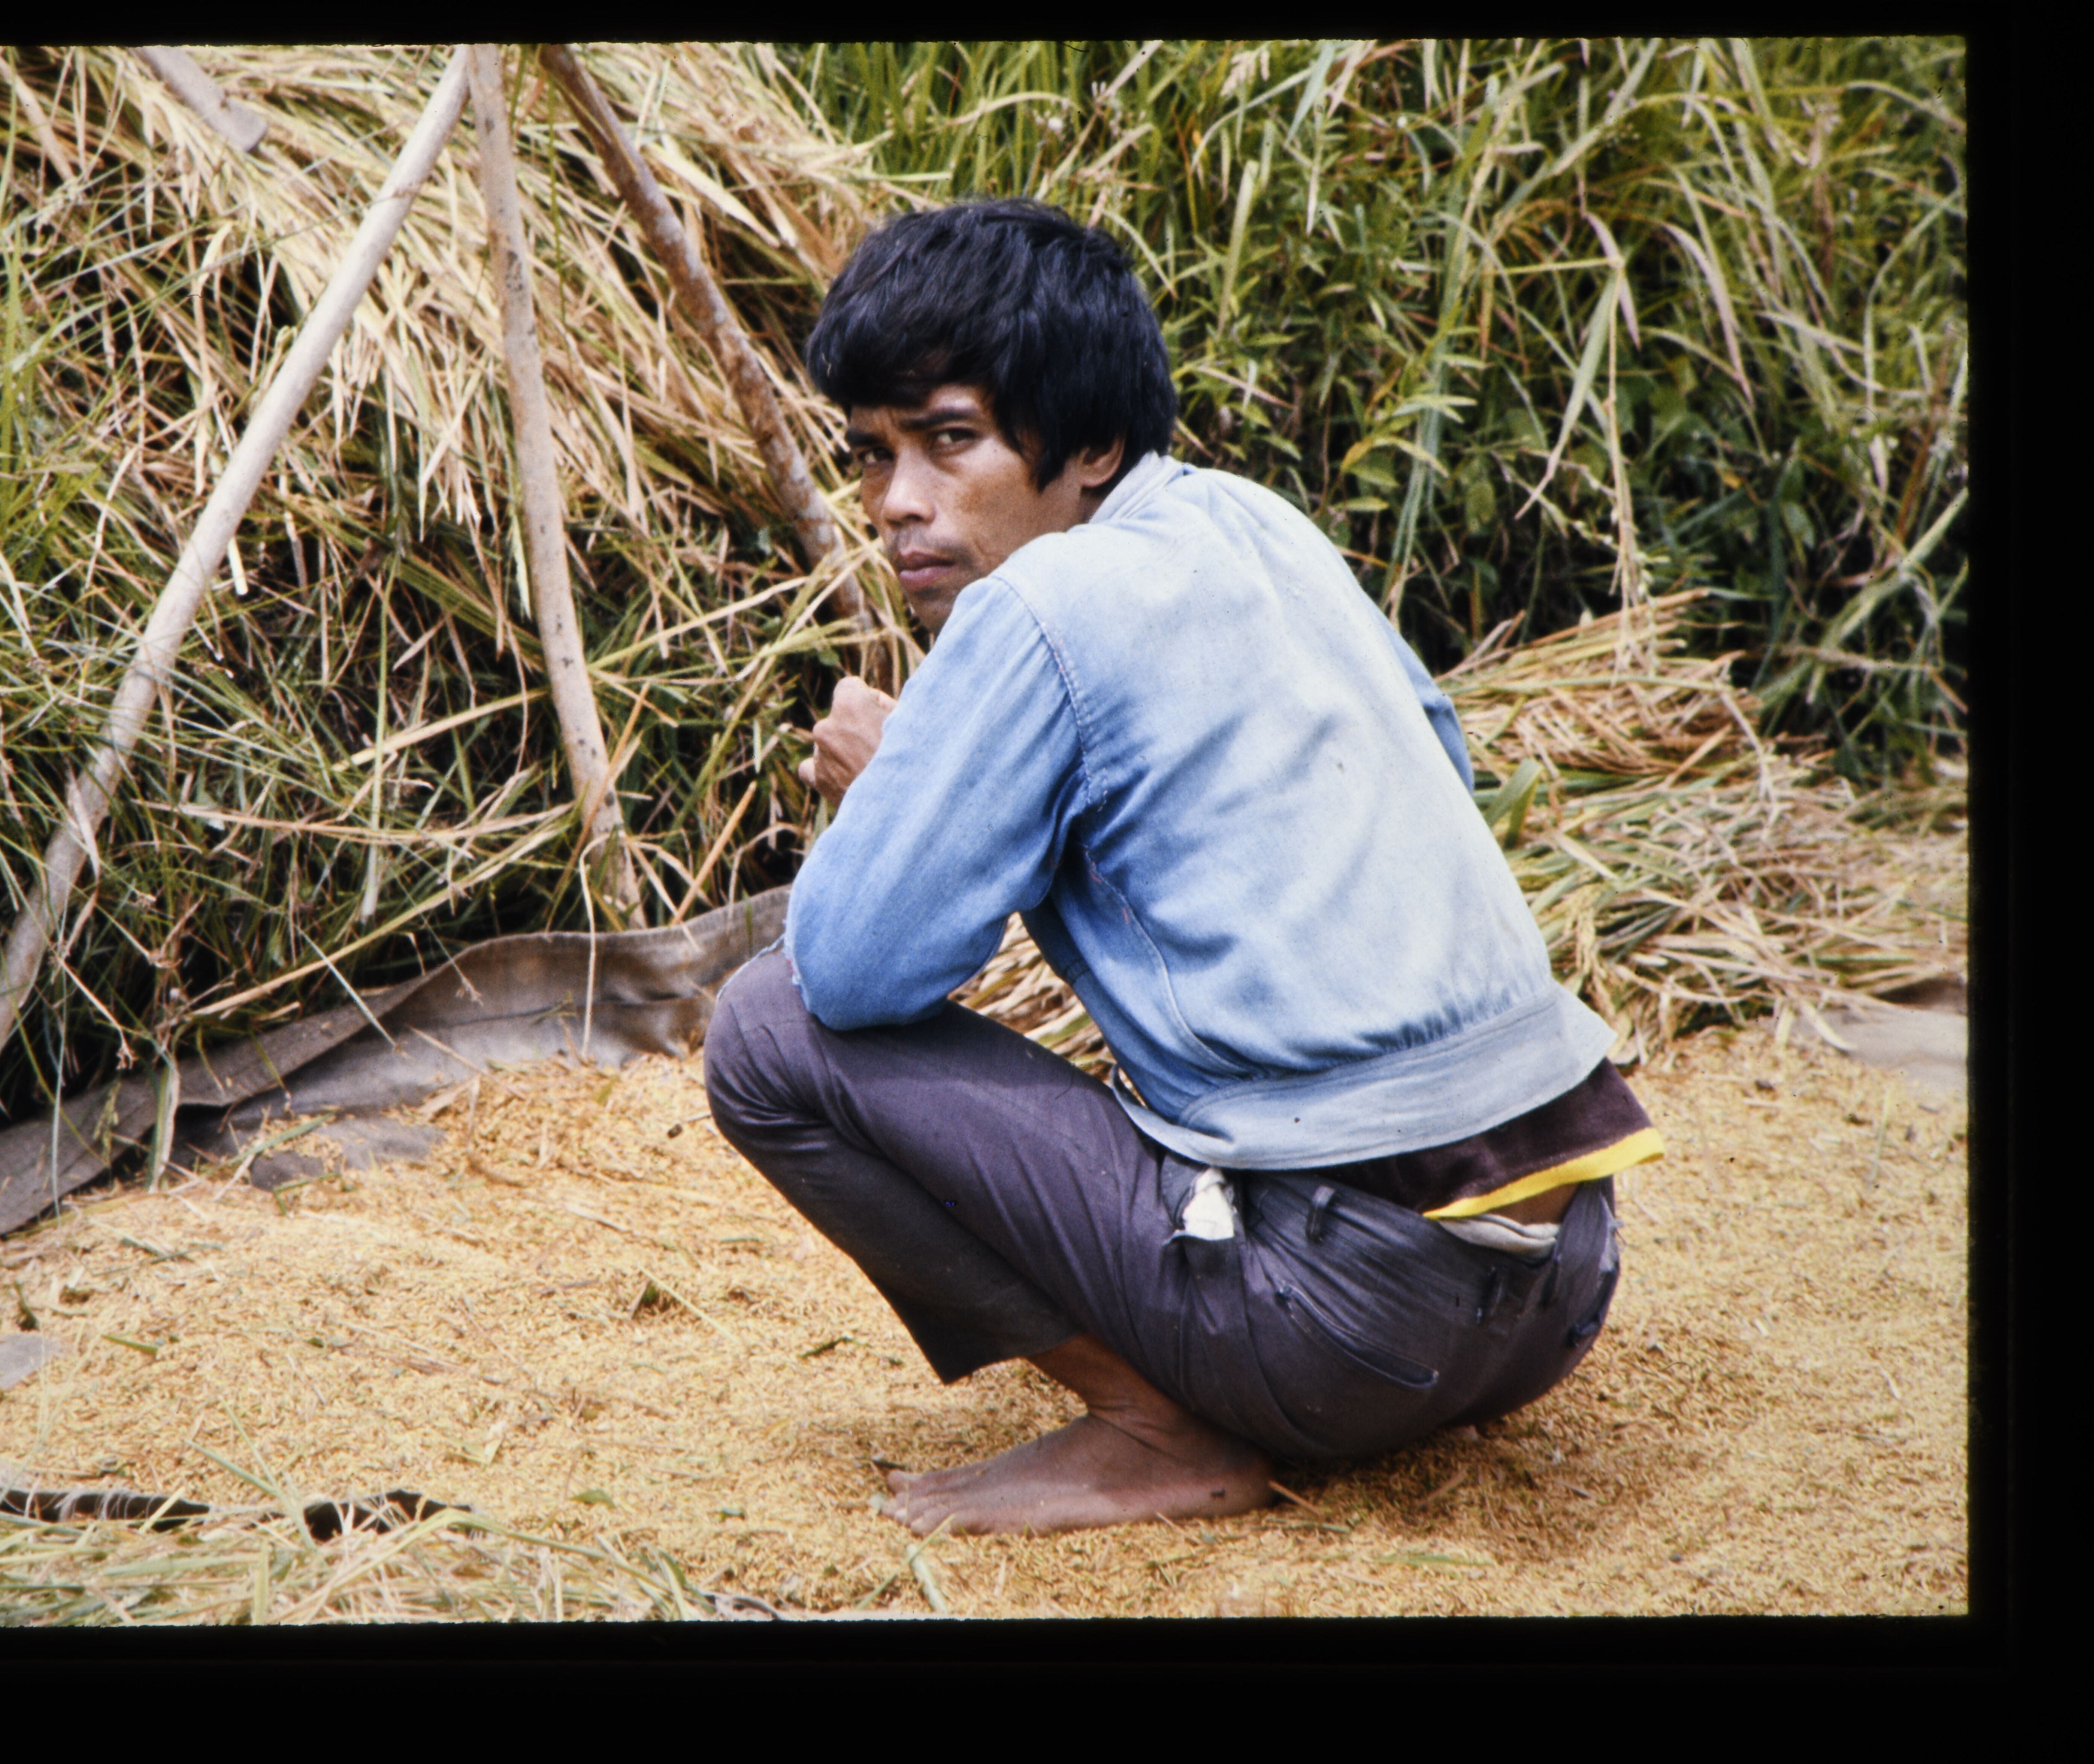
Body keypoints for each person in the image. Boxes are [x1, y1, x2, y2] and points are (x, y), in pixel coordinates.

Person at [701, 198, 1664, 1538]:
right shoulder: (1257, 522)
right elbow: (1439, 756)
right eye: (874, 453)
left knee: (763, 1031)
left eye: (950, 440)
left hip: (1352, 1333)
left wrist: (902, 784)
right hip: (1565, 1282)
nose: (897, 502)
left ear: (1093, 445)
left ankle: (1159, 1430)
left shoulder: (1037, 602)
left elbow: (854, 969)